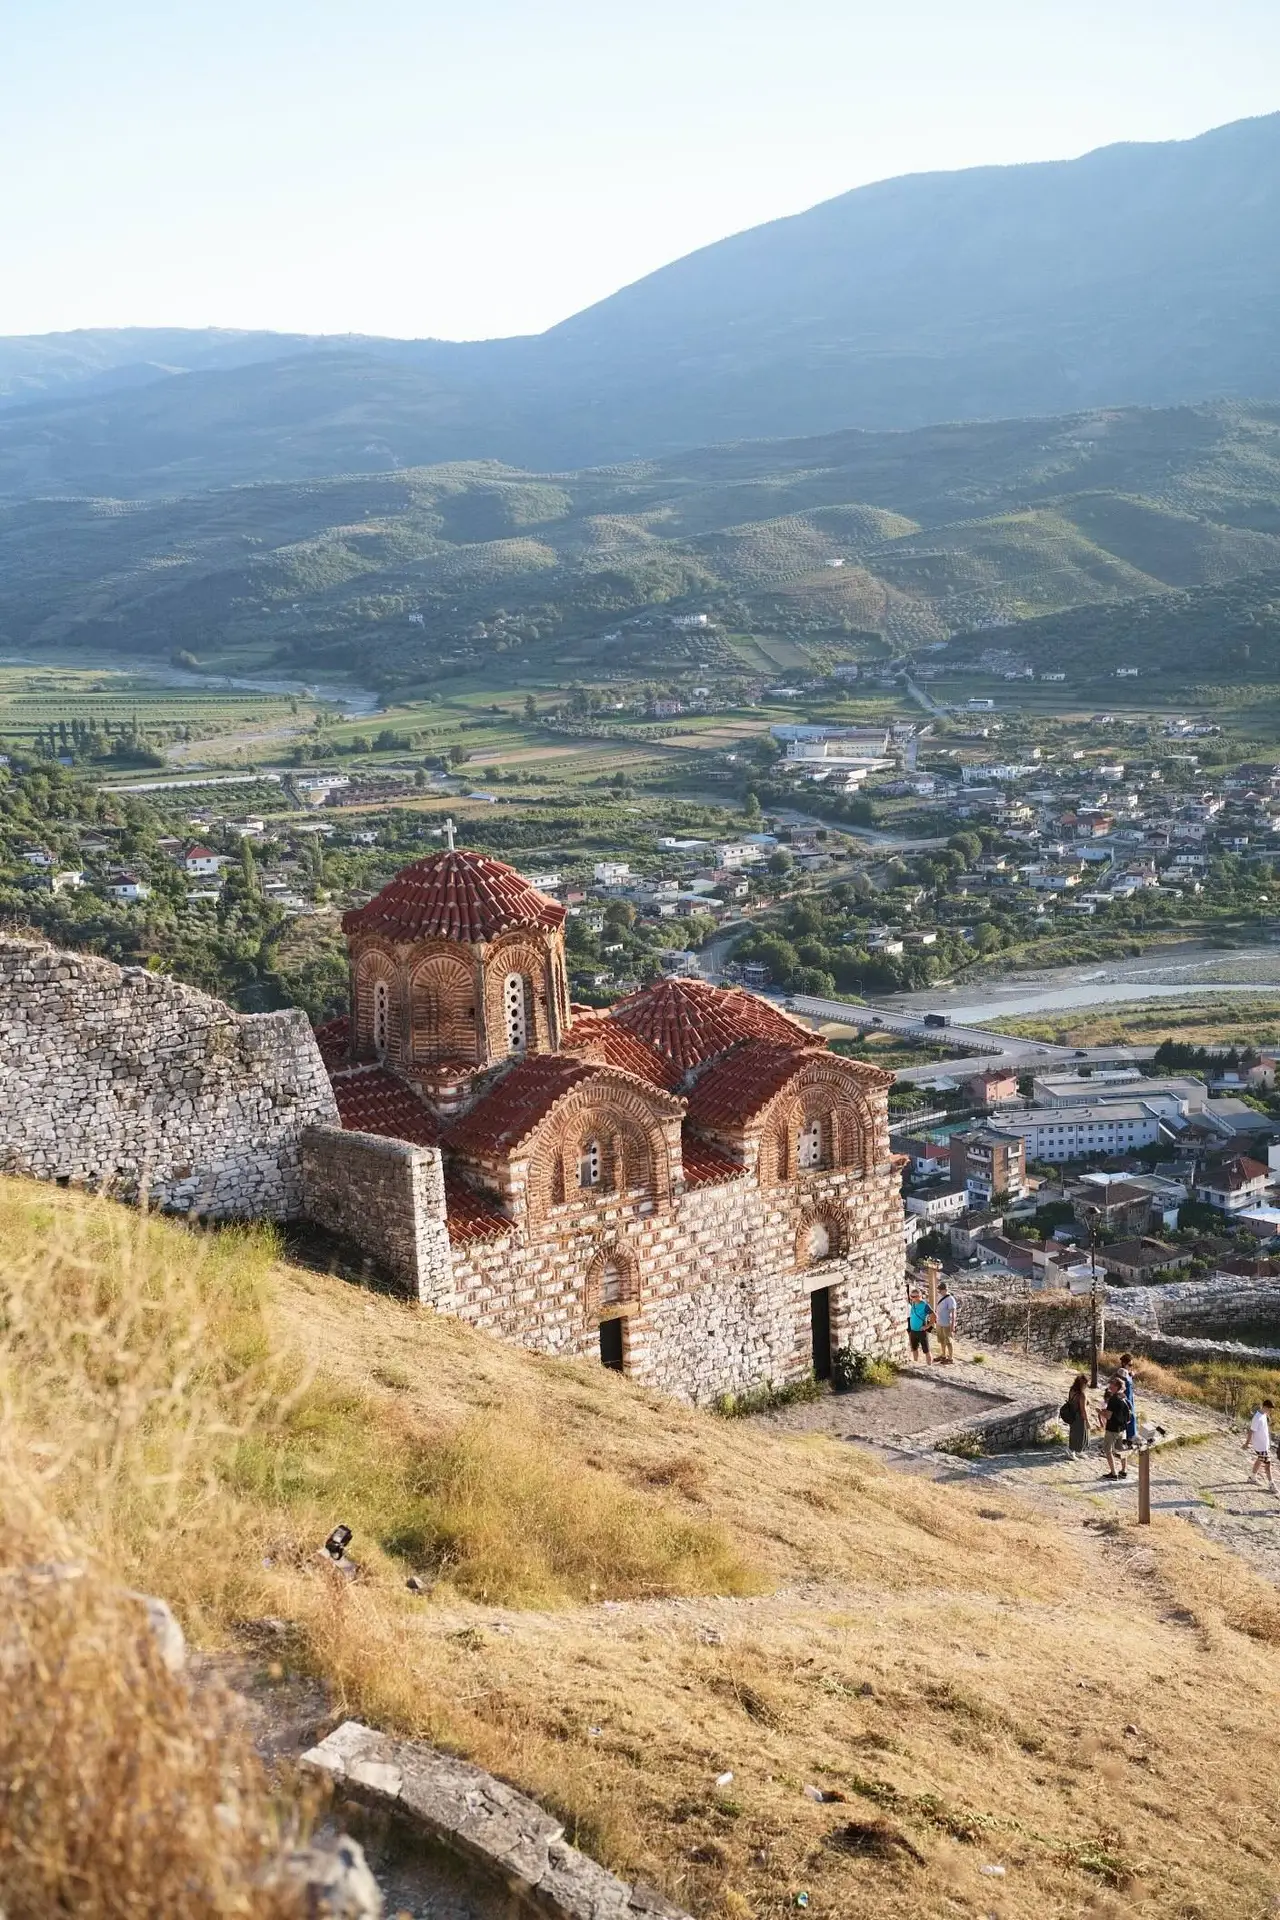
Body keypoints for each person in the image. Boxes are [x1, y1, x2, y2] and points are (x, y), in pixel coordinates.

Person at [1100, 1375, 1130, 1480]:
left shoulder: (1113, 1399)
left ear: (1116, 1386)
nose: (1110, 1385)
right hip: (1122, 1428)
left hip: (1112, 1428)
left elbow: (1108, 1415)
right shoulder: (1123, 1397)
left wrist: (1100, 1412)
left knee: (1108, 1450)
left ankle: (1113, 1473)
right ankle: (1124, 1470)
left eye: (1112, 1384)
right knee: (1121, 1450)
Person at [1244, 1399, 1278, 1493]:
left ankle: (1252, 1477)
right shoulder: (1257, 1417)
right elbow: (1251, 1431)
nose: (1270, 1411)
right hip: (1260, 1446)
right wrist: (1247, 1443)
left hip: (1264, 1445)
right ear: (1265, 1407)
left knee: (1259, 1460)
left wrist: (1268, 1416)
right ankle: (1271, 1484)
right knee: (1268, 1465)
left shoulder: (1263, 1414)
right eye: (1269, 1409)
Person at [1063, 1372, 1090, 1459]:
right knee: (1080, 1435)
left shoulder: (1072, 1390)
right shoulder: (1082, 1395)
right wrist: (1087, 1421)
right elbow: (1083, 1410)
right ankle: (1072, 1451)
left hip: (1072, 1414)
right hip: (1079, 1416)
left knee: (1074, 1433)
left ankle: (1078, 1451)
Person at [906, 1286, 934, 1365]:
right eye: (911, 1296)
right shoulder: (913, 1303)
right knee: (914, 1348)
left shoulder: (925, 1305)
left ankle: (929, 1366)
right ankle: (916, 1364)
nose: (912, 1298)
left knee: (926, 1350)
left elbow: (934, 1316)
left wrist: (928, 1326)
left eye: (914, 1296)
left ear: (919, 1296)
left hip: (922, 1331)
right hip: (913, 1330)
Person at [1117, 1352, 1138, 1449]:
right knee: (1129, 1418)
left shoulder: (1127, 1372)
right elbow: (1119, 1385)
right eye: (1129, 1365)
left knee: (1132, 1418)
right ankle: (1129, 1439)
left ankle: (1131, 1438)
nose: (1131, 1367)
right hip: (1125, 1398)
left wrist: (1131, 1375)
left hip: (1130, 1398)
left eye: (1132, 1365)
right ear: (1124, 1364)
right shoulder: (1122, 1372)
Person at [934, 1283, 957, 1364]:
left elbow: (953, 1313)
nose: (939, 1291)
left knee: (948, 1341)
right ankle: (943, 1355)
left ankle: (950, 1358)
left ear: (945, 1290)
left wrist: (953, 1325)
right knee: (941, 1340)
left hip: (947, 1324)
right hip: (940, 1322)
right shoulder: (941, 1297)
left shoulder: (950, 1299)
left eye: (940, 1290)